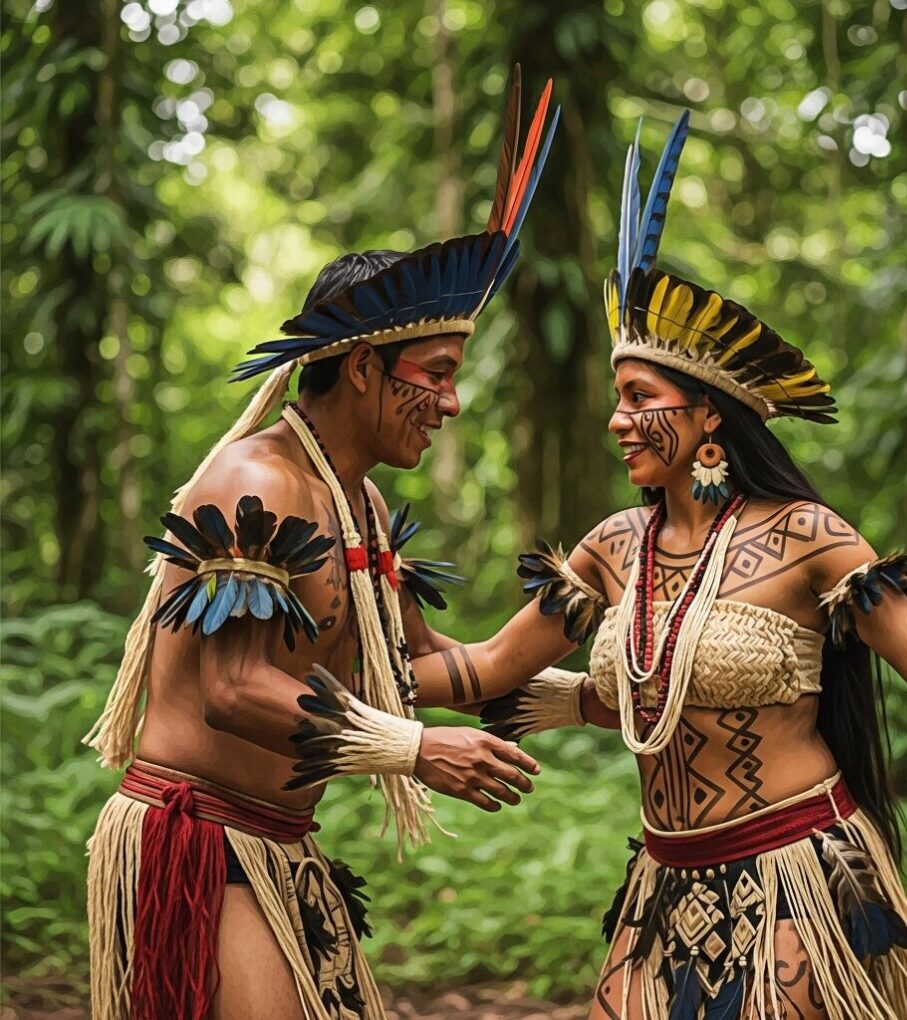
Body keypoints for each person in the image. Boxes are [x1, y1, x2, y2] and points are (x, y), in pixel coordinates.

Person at [405, 112, 907, 1018]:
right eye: (616, 398)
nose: (617, 420)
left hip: (798, 868)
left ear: (708, 417)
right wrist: (367, 636)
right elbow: (489, 669)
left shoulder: (807, 535)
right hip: (665, 879)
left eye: (639, 397)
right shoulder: (613, 547)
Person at [83, 67, 559, 1020]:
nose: (451, 403)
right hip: (201, 836)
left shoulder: (361, 507)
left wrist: (585, 665)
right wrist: (413, 751)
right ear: (362, 367)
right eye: (435, 374)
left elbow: (415, 670)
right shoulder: (258, 483)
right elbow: (232, 690)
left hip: (279, 842)